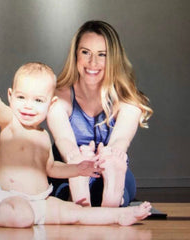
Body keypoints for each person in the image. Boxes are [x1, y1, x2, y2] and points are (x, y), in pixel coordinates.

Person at [0, 52, 151, 228]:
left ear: (51, 104)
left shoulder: (43, 136)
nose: (28, 106)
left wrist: (78, 169)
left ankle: (119, 215)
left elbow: (51, 168)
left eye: (38, 100)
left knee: (75, 212)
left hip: (41, 200)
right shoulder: (10, 122)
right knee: (22, 217)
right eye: (21, 97)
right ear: (10, 96)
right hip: (11, 200)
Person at [47, 20, 153, 207]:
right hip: (68, 168)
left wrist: (109, 158)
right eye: (85, 52)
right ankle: (75, 196)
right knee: (58, 187)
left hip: (105, 170)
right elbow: (64, 141)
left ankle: (113, 196)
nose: (92, 62)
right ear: (75, 56)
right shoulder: (58, 98)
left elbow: (121, 141)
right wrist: (77, 161)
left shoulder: (128, 102)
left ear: (113, 59)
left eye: (102, 55)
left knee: (115, 176)